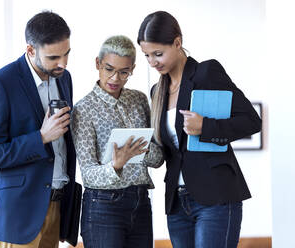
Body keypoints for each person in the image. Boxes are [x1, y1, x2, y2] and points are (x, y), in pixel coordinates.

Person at [137, 11, 262, 248]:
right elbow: (169, 151)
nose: (152, 62)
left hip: (215, 198)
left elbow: (251, 120)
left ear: (177, 42)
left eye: (158, 54)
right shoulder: (157, 91)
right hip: (177, 203)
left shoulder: (206, 73)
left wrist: (205, 126)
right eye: (147, 56)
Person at [0, 11, 78, 248]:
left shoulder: (64, 78)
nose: (63, 63)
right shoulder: (0, 84)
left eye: (67, 54)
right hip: (18, 215)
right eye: (54, 57)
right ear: (31, 50)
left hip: (56, 203)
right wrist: (41, 137)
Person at [71, 35, 163, 248]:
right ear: (97, 64)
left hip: (140, 202)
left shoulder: (139, 100)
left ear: (132, 69)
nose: (115, 78)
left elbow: (158, 158)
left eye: (124, 72)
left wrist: (142, 150)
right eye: (109, 69)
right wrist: (116, 165)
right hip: (103, 206)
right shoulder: (83, 109)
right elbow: (88, 174)